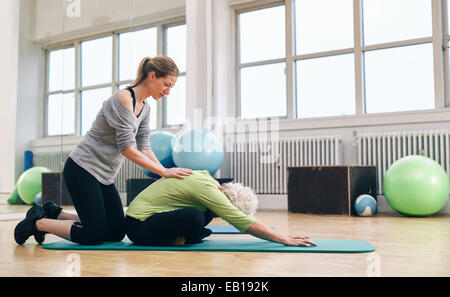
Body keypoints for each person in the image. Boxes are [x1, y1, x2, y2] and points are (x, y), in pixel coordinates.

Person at [14, 56, 192, 246]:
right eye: (166, 84)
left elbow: (144, 147)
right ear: (152, 76)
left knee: (116, 232)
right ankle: (37, 222)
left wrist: (166, 173)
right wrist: (164, 171)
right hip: (82, 169)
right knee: (95, 234)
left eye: (171, 87)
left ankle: (54, 213)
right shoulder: (123, 99)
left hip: (104, 177)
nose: (168, 91)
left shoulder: (145, 108)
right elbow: (127, 149)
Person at [125, 170, 318, 247]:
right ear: (228, 202)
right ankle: (187, 237)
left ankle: (185, 237)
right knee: (195, 216)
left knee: (203, 214)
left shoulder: (210, 181)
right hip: (139, 228)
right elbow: (242, 221)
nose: (222, 216)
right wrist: (282, 238)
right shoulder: (209, 192)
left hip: (155, 219)